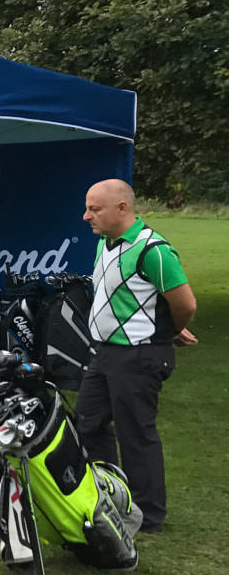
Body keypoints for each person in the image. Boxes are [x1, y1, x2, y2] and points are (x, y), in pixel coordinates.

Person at [75, 178, 197, 534]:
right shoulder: (106, 245)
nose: (86, 216)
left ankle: (147, 514)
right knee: (88, 422)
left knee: (135, 433)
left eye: (94, 209)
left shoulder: (153, 250)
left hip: (138, 357)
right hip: (105, 354)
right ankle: (108, 494)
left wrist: (169, 332)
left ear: (122, 208)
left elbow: (185, 303)